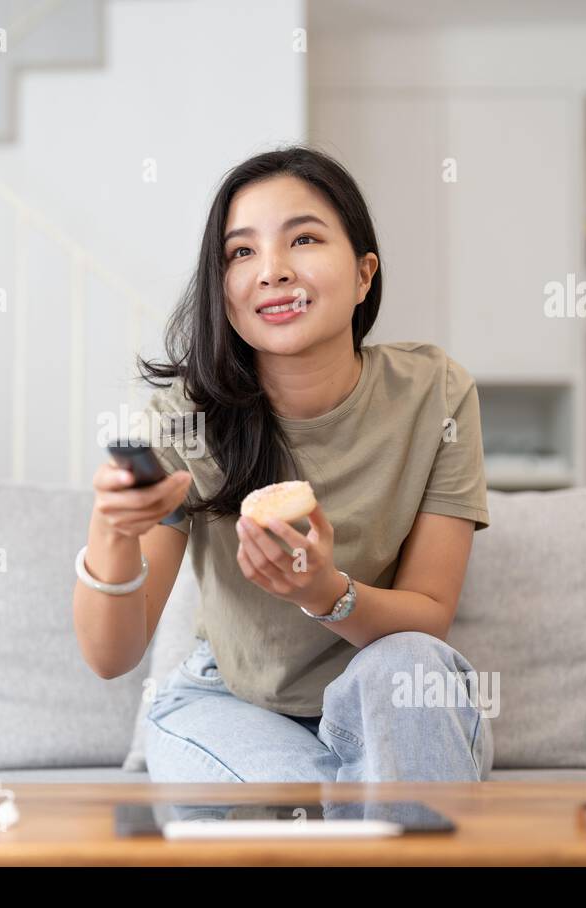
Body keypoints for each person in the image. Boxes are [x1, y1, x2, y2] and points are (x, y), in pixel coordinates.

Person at [72, 145, 493, 783]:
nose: (271, 271)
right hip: (231, 703)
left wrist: (323, 593)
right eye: (241, 252)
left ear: (363, 274)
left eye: (302, 239)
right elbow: (111, 657)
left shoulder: (436, 394)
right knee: (305, 807)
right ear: (225, 290)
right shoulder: (185, 420)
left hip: (389, 689)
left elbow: (429, 611)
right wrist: (112, 531)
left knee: (410, 660)